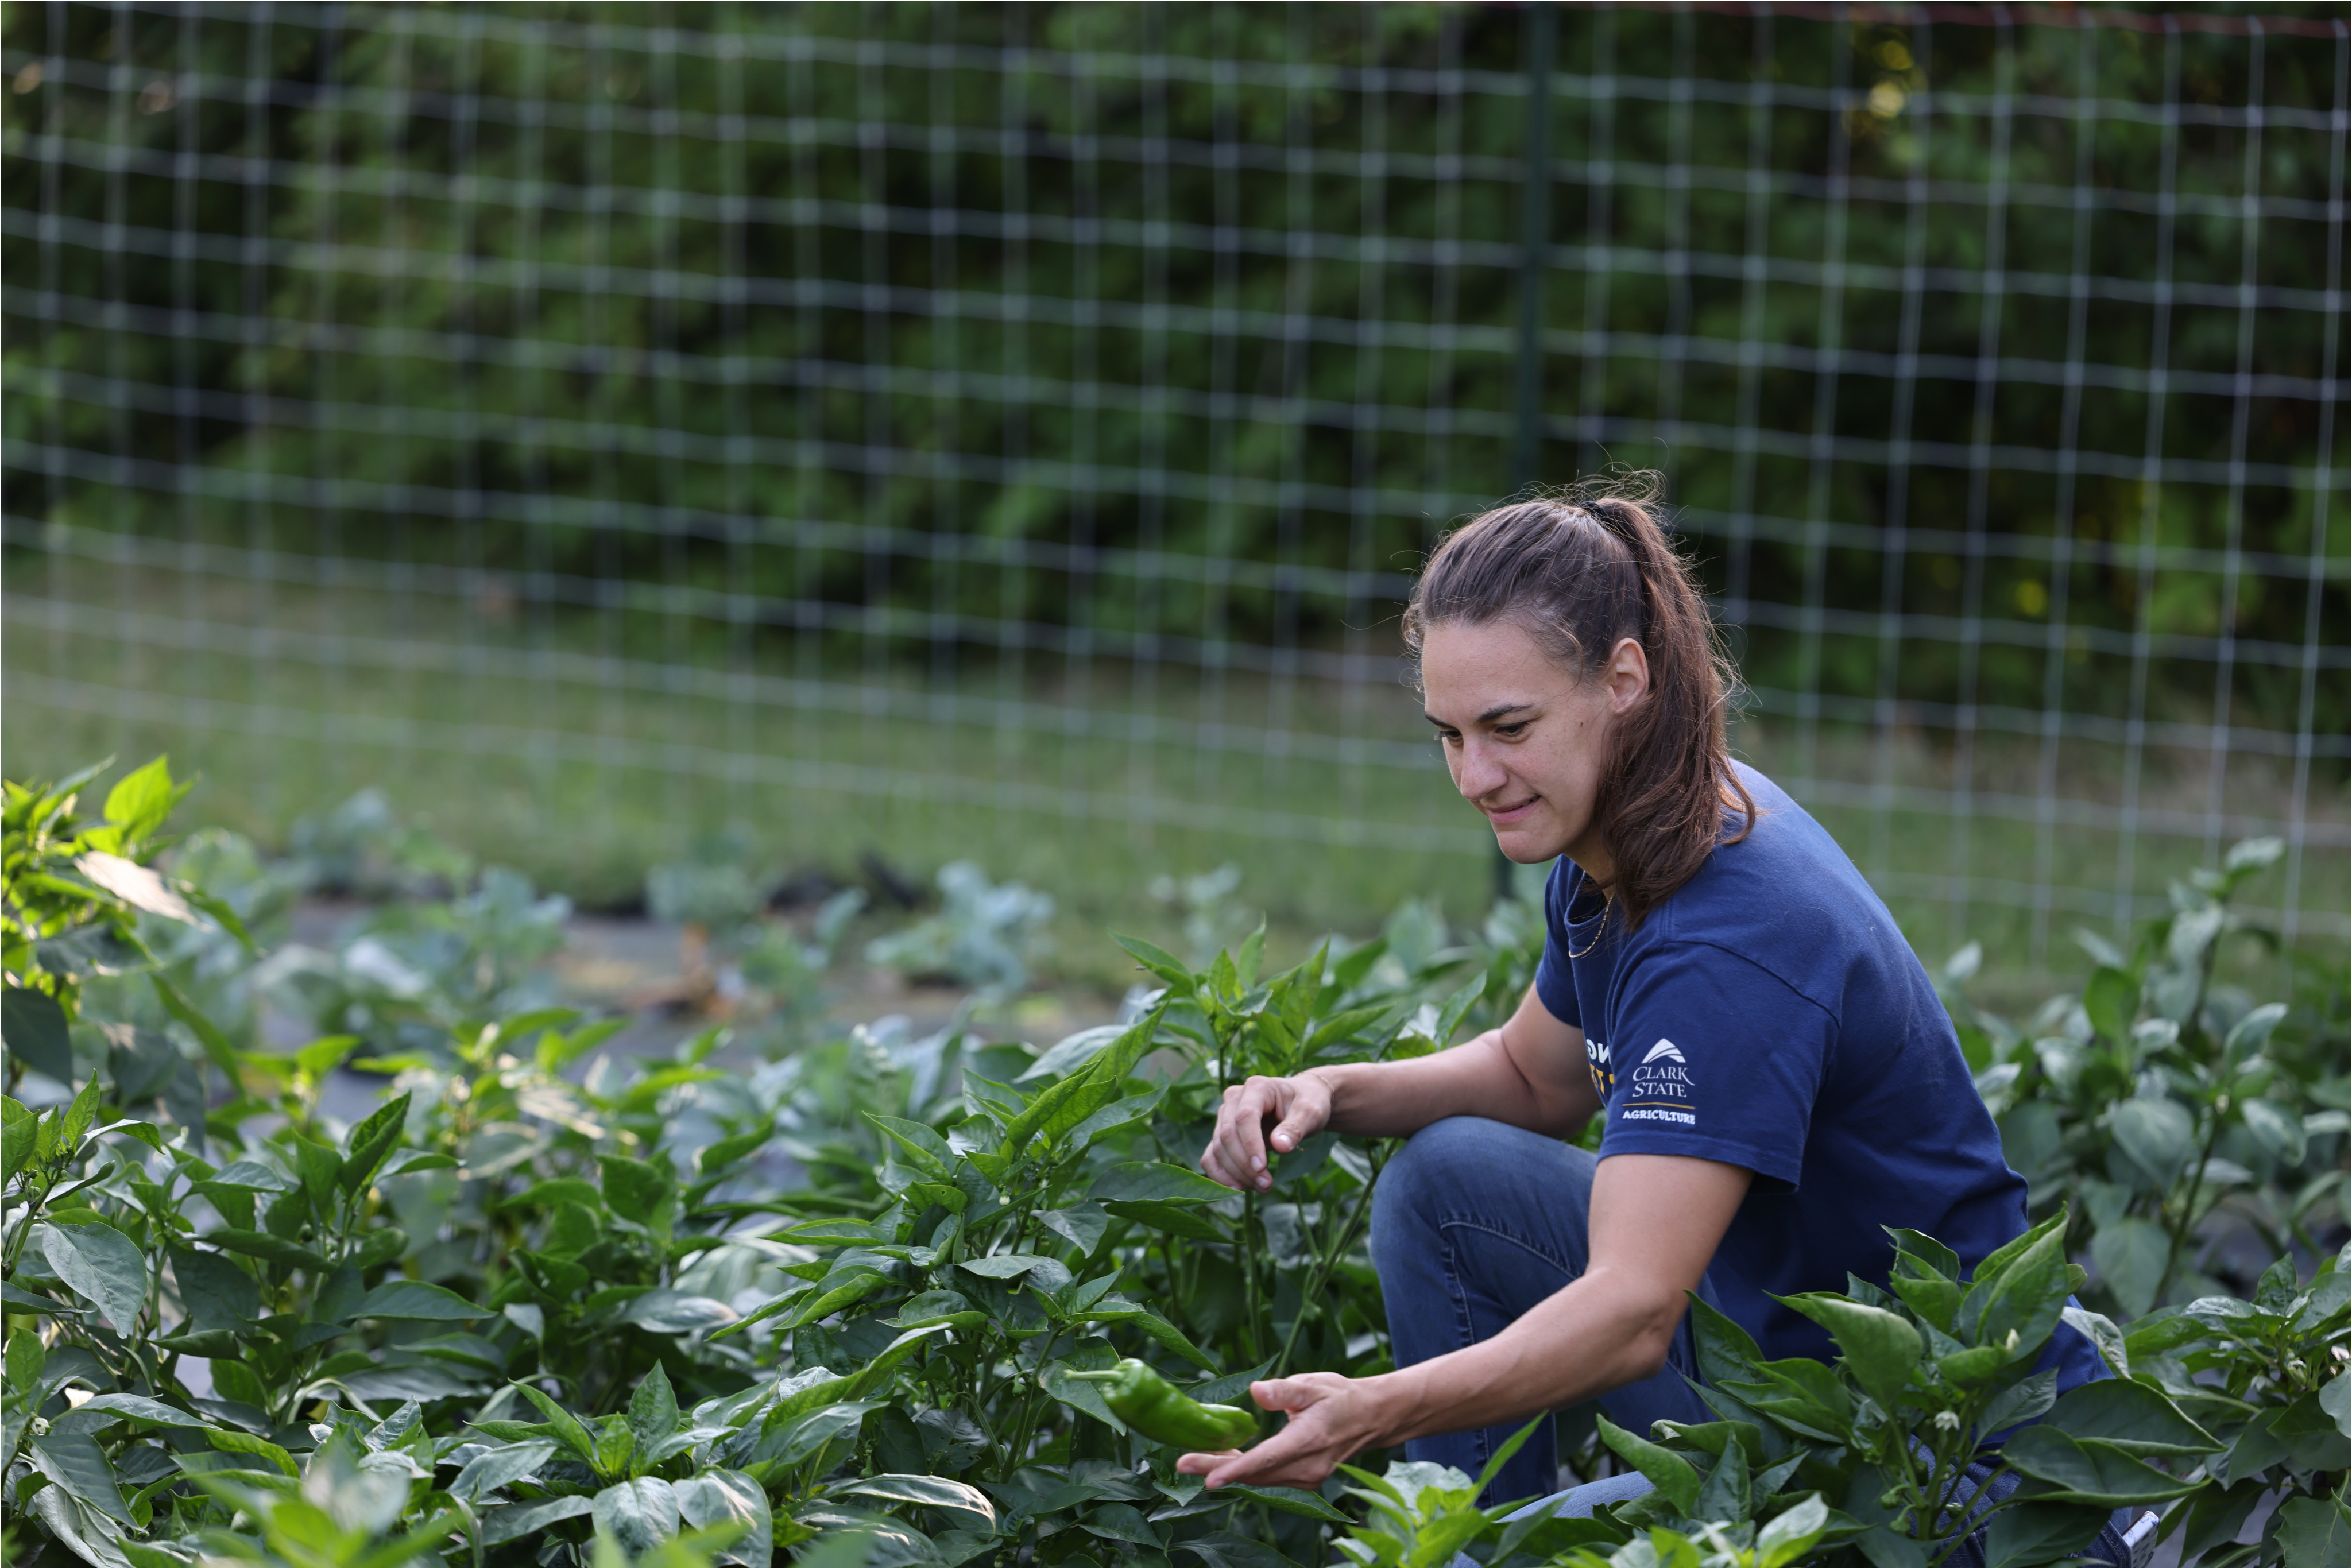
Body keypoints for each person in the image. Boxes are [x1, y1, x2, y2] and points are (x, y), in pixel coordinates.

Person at [1178, 483, 2110, 1515]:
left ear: (1624, 679)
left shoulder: (1729, 935)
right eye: (1448, 734)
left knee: (1530, 1548)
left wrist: (1377, 1410)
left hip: (1929, 1458)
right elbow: (1536, 1079)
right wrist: (1324, 1089)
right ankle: (1455, 1524)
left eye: (1508, 726)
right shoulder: (1628, 832)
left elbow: (1630, 1314)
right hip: (1775, 1354)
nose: (1476, 776)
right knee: (1446, 1181)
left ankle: (1464, 1541)